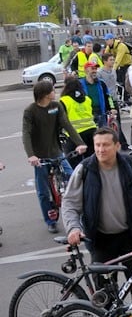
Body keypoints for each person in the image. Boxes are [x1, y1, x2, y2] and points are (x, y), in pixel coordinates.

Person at [62, 128, 132, 300]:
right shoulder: (85, 169)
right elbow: (70, 203)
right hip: (100, 239)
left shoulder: (130, 164)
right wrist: (73, 228)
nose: (100, 149)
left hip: (131, 236)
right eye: (97, 145)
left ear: (117, 146)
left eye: (105, 145)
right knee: (104, 291)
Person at [22, 80, 88, 232]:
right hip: (40, 156)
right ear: (45, 94)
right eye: (52, 90)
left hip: (57, 151)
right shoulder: (30, 111)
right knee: (43, 191)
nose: (55, 92)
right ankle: (50, 219)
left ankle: (81, 213)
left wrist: (79, 143)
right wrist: (31, 155)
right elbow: (26, 134)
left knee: (73, 179)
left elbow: (67, 125)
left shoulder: (56, 107)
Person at [59, 77, 97, 156]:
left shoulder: (64, 100)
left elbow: (61, 119)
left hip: (74, 135)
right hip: (91, 131)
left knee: (74, 163)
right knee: (91, 160)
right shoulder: (87, 99)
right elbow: (92, 113)